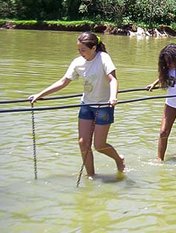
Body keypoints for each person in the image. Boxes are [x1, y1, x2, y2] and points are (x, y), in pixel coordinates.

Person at [29, 32, 125, 178]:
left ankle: (119, 159)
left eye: (83, 50)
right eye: (79, 50)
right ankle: (91, 175)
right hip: (86, 105)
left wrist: (113, 97)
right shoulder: (77, 63)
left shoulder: (103, 58)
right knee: (82, 142)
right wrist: (39, 95)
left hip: (105, 106)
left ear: (93, 48)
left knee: (99, 145)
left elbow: (113, 80)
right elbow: (63, 82)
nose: (81, 53)